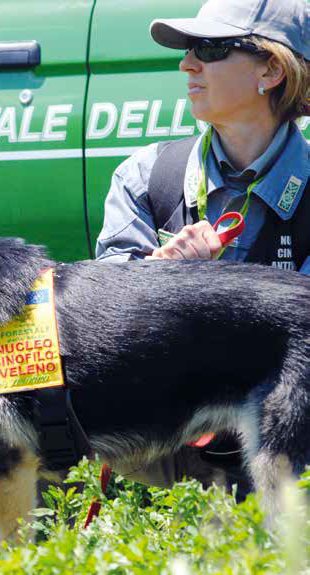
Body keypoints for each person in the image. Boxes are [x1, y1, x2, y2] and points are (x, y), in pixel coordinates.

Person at [95, 0, 309, 491]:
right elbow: (99, 330)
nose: (186, 64)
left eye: (210, 49)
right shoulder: (146, 175)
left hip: (288, 443)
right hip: (162, 452)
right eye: (189, 50)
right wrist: (160, 273)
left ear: (272, 69)